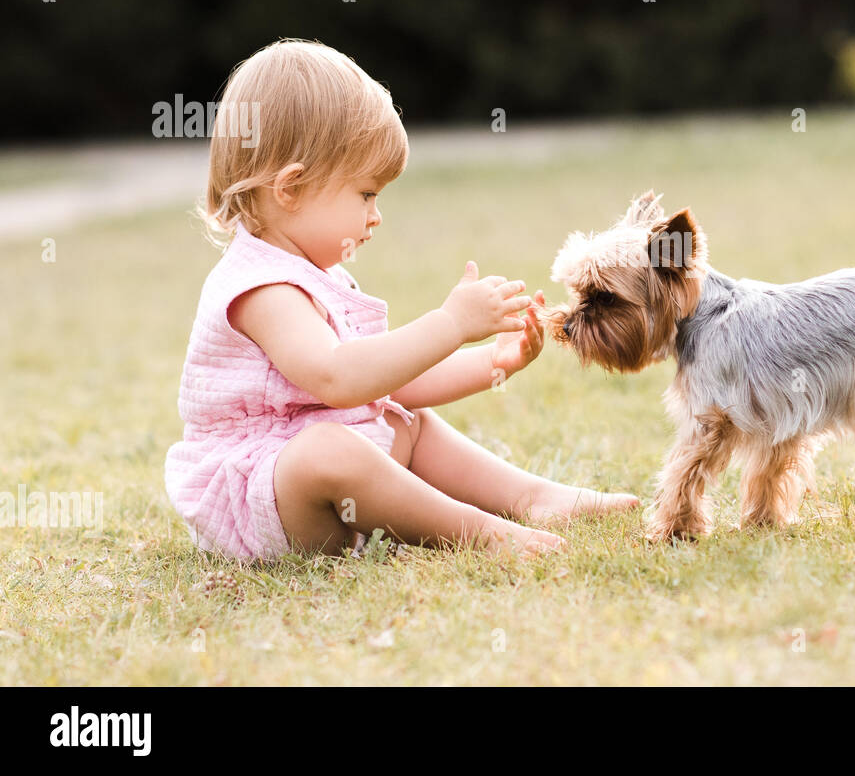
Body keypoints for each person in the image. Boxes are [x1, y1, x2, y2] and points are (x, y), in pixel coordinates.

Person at [165, 39, 638, 562]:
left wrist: (492, 363)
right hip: (260, 502)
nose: (375, 215)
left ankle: (535, 498)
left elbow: (389, 383)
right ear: (290, 187)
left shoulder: (319, 274)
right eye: (366, 193)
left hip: (314, 479)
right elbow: (340, 379)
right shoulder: (262, 289)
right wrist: (451, 323)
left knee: (407, 423)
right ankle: (482, 534)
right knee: (330, 451)